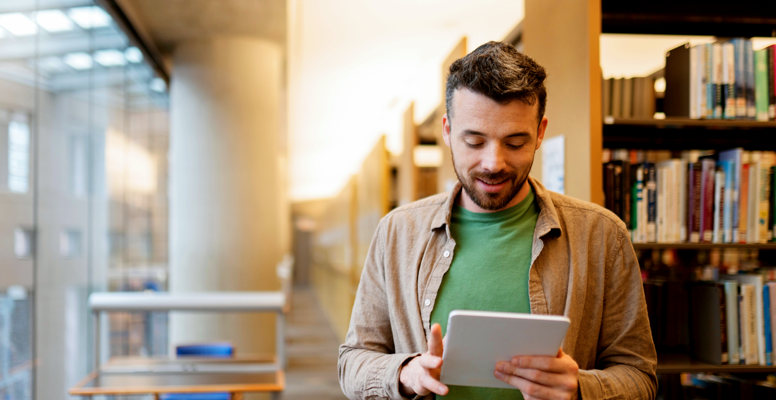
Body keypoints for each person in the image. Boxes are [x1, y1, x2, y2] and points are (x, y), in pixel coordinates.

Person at [338, 41, 657, 400]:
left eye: (515, 142)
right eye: (474, 141)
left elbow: (640, 376)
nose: (494, 162)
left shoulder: (602, 235)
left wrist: (582, 389)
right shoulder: (397, 233)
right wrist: (405, 374)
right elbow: (353, 362)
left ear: (540, 133)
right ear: (446, 130)